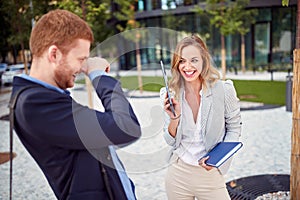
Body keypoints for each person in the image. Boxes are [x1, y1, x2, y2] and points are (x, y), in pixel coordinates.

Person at [10, 9, 141, 200]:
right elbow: (126, 127)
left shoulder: (46, 97)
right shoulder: (35, 103)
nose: (82, 68)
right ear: (54, 54)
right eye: (81, 59)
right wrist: (99, 76)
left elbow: (110, 137)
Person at [160, 34, 242, 199]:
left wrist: (218, 159)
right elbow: (170, 141)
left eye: (194, 60)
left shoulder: (224, 90)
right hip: (178, 175)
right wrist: (174, 119)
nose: (187, 66)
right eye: (182, 61)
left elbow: (234, 127)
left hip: (210, 176)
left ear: (204, 60)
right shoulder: (170, 94)